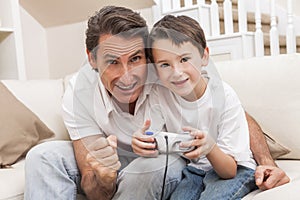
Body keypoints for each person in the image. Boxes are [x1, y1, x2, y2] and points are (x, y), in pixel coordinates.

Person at [24, 5, 289, 200]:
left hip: (161, 162)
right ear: (92, 59)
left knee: (153, 165)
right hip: (113, 160)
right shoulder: (77, 95)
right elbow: (94, 184)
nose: (127, 77)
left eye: (136, 59)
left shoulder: (167, 75)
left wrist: (266, 161)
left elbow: (233, 113)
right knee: (41, 156)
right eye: (112, 62)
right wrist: (104, 177)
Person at [132, 14, 257, 199]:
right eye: (165, 64)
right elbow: (155, 138)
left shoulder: (224, 96)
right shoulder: (160, 95)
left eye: (184, 60)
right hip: (195, 170)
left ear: (204, 56)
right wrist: (142, 143)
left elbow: (229, 171)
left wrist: (210, 148)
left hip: (234, 168)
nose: (177, 72)